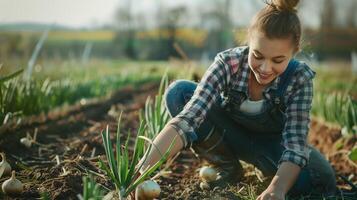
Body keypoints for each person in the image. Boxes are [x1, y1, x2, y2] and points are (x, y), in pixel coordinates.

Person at [136, 0, 337, 199]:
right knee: (179, 93)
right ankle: (227, 166)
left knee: (316, 179)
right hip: (229, 134)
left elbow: (295, 145)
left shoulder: (299, 78)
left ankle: (267, 169)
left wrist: (277, 189)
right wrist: (142, 170)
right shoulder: (229, 63)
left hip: (272, 146)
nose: (265, 68)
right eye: (257, 55)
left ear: (294, 53)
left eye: (277, 60)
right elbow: (189, 117)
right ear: (249, 41)